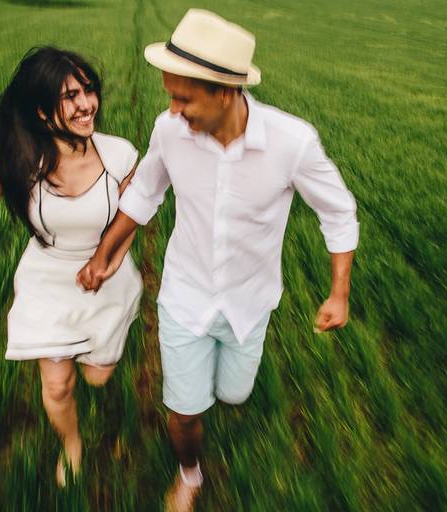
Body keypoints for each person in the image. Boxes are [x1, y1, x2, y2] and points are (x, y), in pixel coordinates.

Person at [78, 9, 359, 511]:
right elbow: (143, 193)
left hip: (250, 303)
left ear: (225, 93)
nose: (173, 108)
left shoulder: (292, 143)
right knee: (185, 410)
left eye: (184, 97)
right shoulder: (169, 130)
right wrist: (104, 255)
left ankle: (225, 384)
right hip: (184, 296)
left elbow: (338, 213)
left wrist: (339, 292)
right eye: (170, 95)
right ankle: (190, 473)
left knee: (232, 395)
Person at [0, 46, 142, 487]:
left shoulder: (119, 156)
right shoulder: (26, 162)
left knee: (97, 377)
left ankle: (98, 352)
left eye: (88, 90)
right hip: (48, 278)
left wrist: (109, 261)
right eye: (71, 96)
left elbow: (132, 220)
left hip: (108, 279)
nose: (86, 104)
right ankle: (71, 444)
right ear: (43, 113)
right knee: (58, 386)